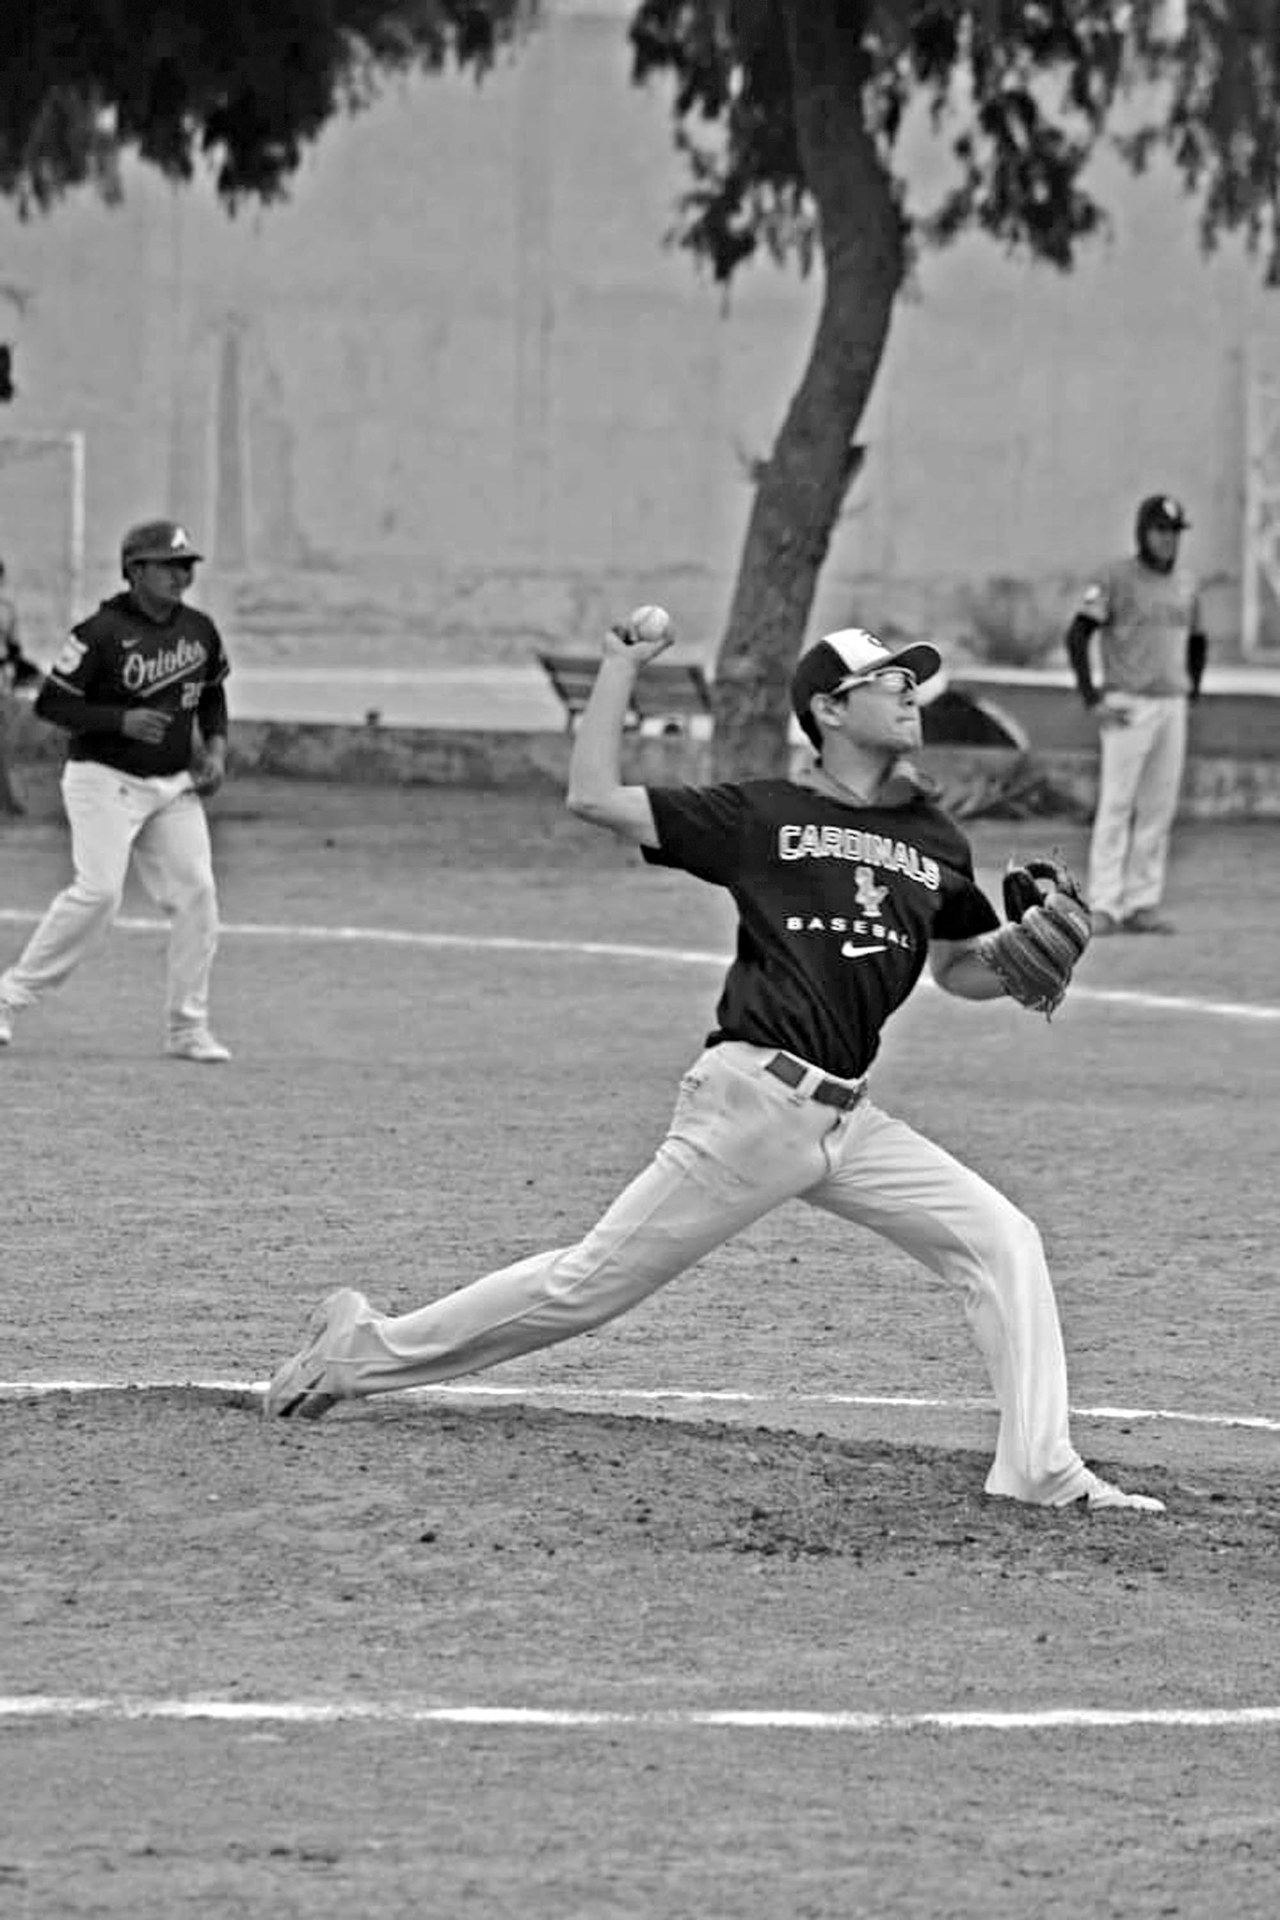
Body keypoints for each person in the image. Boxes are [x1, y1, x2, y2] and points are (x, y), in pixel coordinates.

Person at [264, 619, 1164, 1516]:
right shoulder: (761, 814)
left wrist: (1030, 954)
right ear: (829, 708)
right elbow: (593, 796)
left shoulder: (933, 836)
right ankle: (357, 1352)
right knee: (586, 1286)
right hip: (750, 1104)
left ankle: (1037, 1467)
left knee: (1004, 1241)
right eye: (887, 681)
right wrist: (619, 665)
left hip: (848, 1121)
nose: (908, 693)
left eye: (909, 680)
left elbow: (959, 968)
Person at [0, 519, 233, 1062]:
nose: (182, 575)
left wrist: (216, 751)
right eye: (169, 565)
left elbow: (212, 695)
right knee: (100, 894)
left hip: (172, 786)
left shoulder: (199, 630)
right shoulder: (99, 633)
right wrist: (119, 720)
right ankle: (8, 996)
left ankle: (187, 1027)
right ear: (135, 570)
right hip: (103, 779)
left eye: (186, 565)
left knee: (197, 893)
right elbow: (52, 703)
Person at [1065, 494, 1207, 935]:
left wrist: (1192, 688)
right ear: (1143, 532)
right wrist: (1091, 696)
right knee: (1117, 804)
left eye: (1174, 532)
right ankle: (1105, 903)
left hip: (1171, 703)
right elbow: (1078, 634)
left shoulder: (1186, 584)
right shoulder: (1116, 578)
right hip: (1128, 702)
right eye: (1160, 530)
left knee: (1158, 808)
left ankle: (1142, 901)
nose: (1168, 540)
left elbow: (1198, 640)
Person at [0, 559, 42, 694]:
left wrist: (10, 665)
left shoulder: (6, 610)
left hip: (5, 663)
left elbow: (14, 646)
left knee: (39, 679)